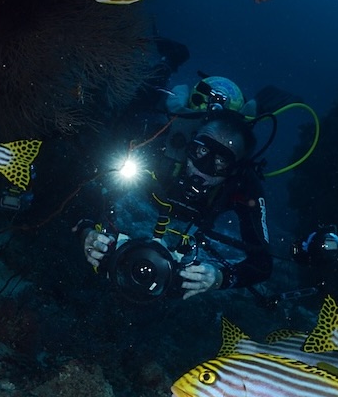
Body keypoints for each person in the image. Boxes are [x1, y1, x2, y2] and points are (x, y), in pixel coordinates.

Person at [77, 77, 272, 300]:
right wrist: (87, 231)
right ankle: (165, 65)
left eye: (221, 162)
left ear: (235, 168)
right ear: (189, 142)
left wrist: (219, 278)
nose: (203, 170)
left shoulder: (243, 184)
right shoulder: (156, 143)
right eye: (200, 152)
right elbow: (87, 188)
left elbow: (263, 263)